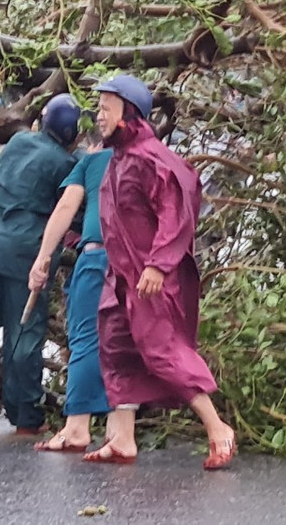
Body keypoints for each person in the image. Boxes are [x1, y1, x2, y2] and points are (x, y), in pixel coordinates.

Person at [83, 74, 235, 470]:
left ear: (128, 113)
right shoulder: (118, 159)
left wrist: (158, 264)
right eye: (98, 108)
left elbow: (176, 212)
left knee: (162, 350)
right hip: (121, 278)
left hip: (150, 278)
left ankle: (218, 428)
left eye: (106, 109)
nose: (98, 116)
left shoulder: (154, 159)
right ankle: (122, 439)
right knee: (116, 349)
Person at [0, 94, 82, 435]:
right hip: (25, 259)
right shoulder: (66, 165)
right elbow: (75, 211)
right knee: (24, 336)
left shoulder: (17, 142)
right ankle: (25, 416)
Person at [26, 132, 113, 452]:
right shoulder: (149, 159)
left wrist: (43, 257)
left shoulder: (92, 161)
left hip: (97, 255)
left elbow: (65, 208)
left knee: (85, 338)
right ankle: (120, 434)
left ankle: (77, 426)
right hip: (134, 261)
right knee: (121, 341)